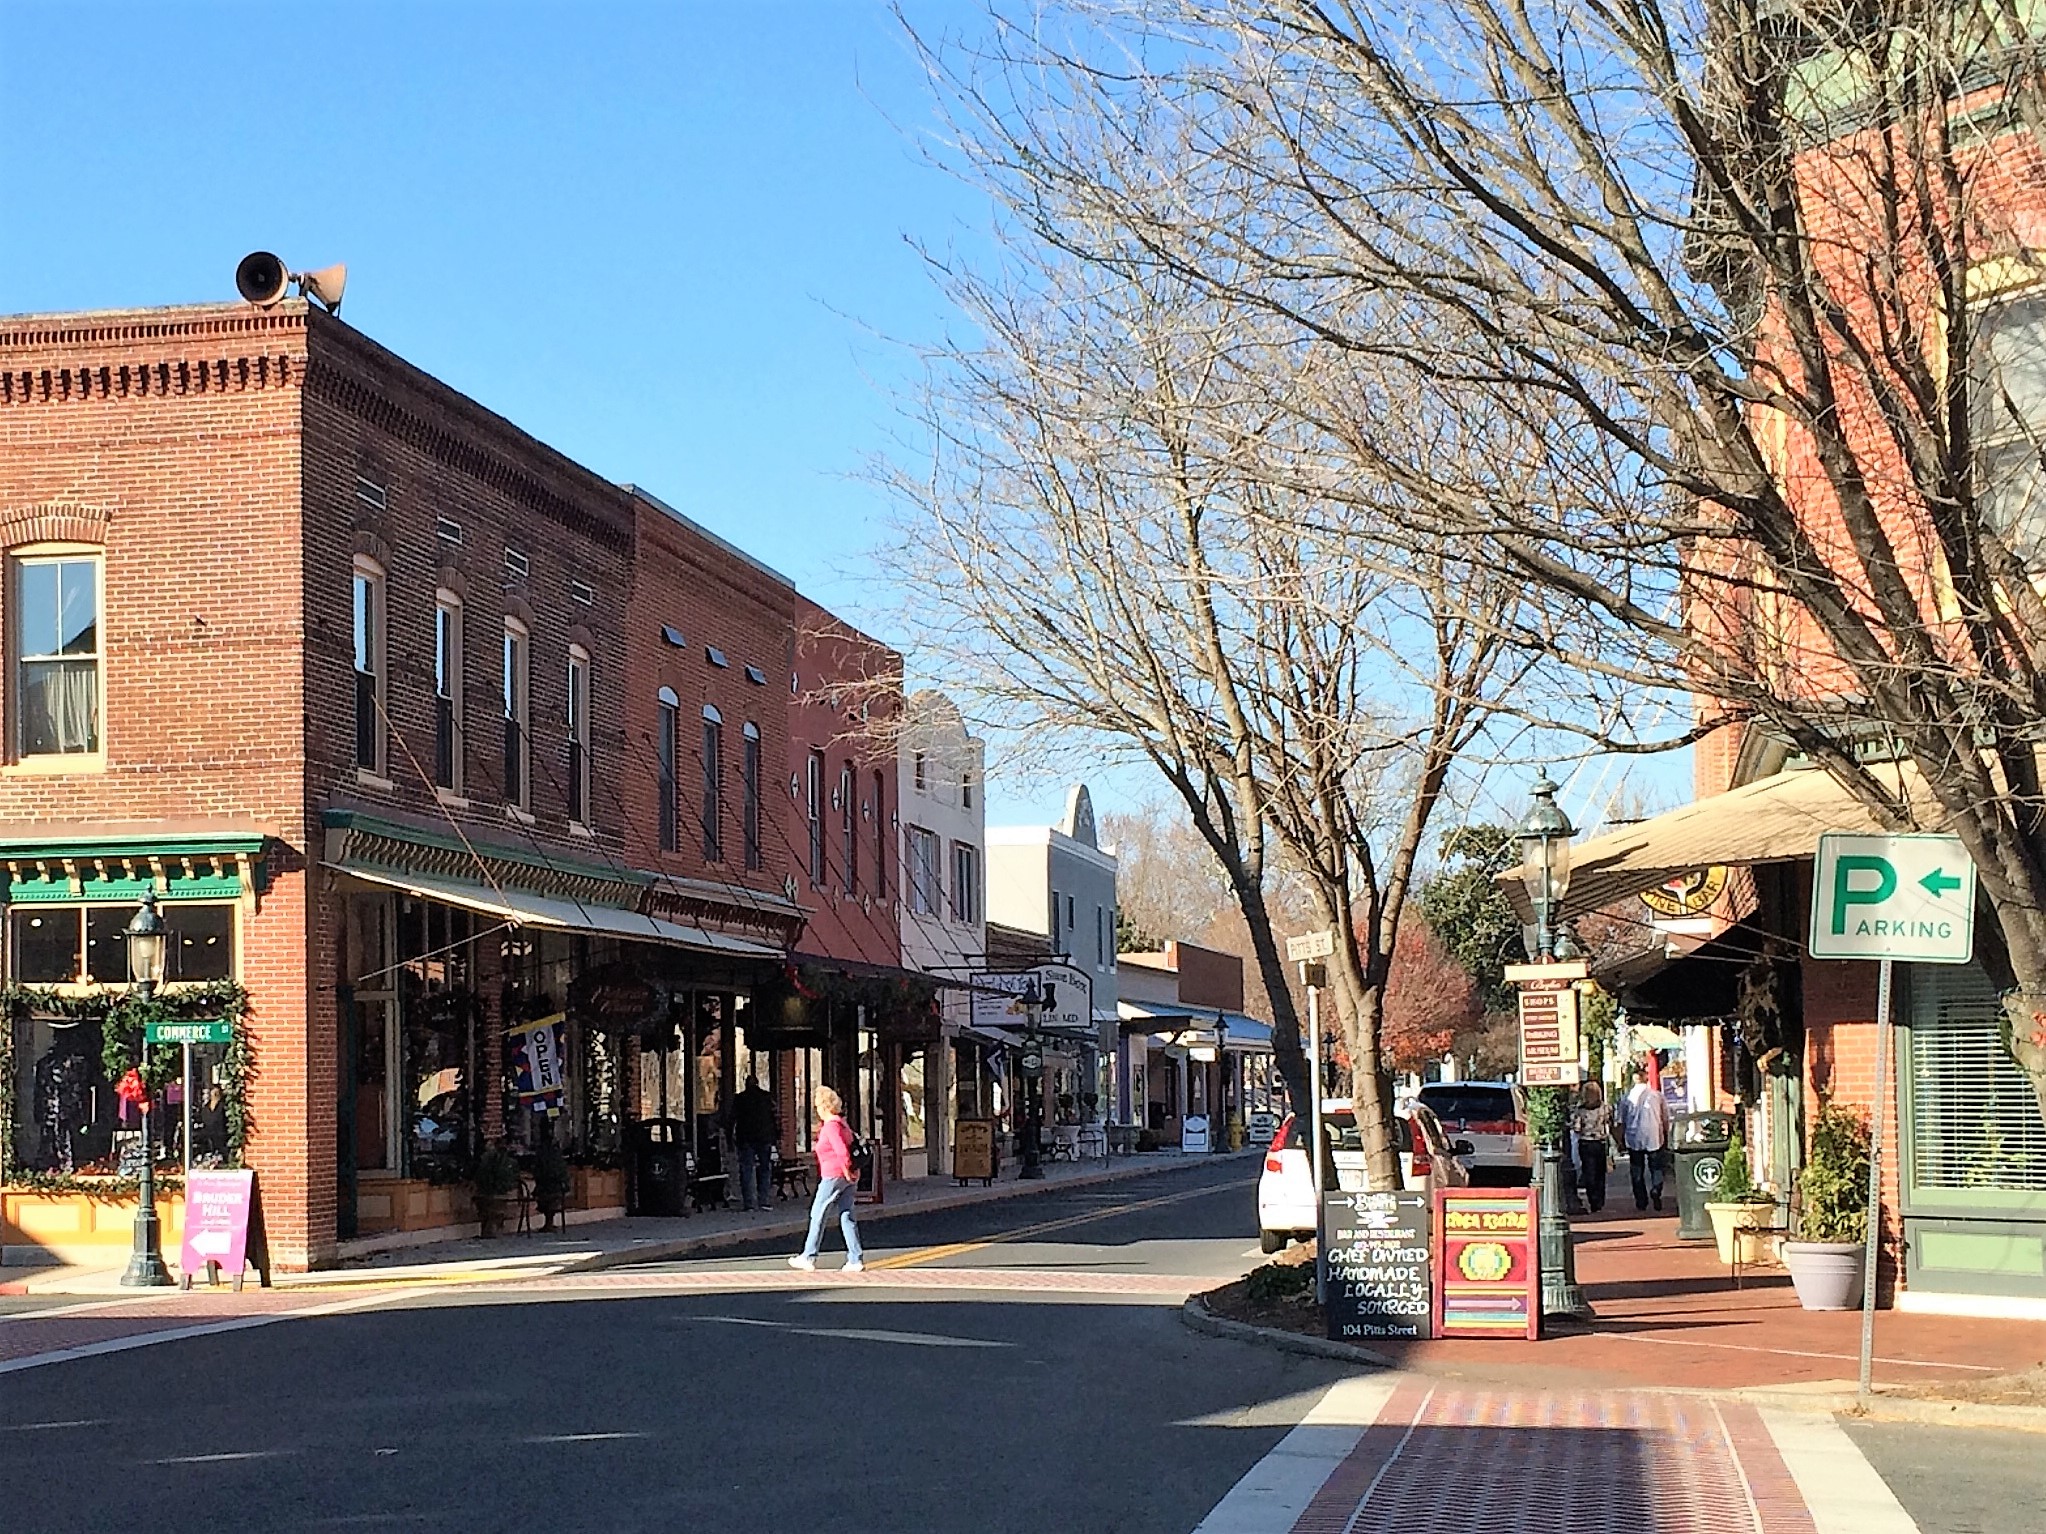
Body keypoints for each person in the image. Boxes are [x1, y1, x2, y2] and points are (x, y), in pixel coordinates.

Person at [788, 1085, 864, 1272]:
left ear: (823, 1107)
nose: (817, 1110)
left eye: (817, 1107)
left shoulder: (830, 1126)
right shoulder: (842, 1124)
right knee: (846, 1214)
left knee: (818, 1213)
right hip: (846, 1176)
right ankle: (855, 1258)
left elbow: (841, 1150)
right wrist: (853, 1172)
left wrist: (846, 1169)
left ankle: (809, 1255)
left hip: (833, 1174)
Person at [1621, 1068, 1672, 1212]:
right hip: (1654, 1135)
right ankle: (1656, 1189)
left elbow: (1621, 1120)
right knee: (1656, 1168)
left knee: (1637, 1169)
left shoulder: (1626, 1097)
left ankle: (1641, 1201)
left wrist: (1620, 1139)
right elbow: (1665, 1117)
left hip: (1633, 1136)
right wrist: (1666, 1134)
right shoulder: (1657, 1096)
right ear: (1646, 1078)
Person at [732, 1069, 779, 1212]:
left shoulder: (740, 1099)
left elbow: (732, 1119)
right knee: (765, 1168)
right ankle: (764, 1200)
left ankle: (750, 1203)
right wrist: (776, 1137)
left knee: (747, 1169)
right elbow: (774, 1119)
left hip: (746, 1138)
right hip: (764, 1138)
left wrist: (730, 1137)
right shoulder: (766, 1097)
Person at [1571, 1081, 1613, 1213]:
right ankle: (1600, 1199)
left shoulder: (1581, 1109)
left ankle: (1592, 1199)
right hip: (1600, 1142)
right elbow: (1610, 1122)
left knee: (1589, 1172)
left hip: (1586, 1142)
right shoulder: (1605, 1107)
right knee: (1601, 1172)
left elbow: (1577, 1128)